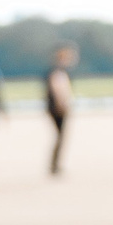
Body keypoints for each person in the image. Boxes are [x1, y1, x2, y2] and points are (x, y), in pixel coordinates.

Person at [44, 44, 78, 178]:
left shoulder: (58, 70)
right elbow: (58, 89)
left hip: (56, 107)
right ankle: (54, 165)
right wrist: (62, 105)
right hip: (58, 108)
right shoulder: (58, 71)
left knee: (60, 137)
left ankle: (55, 164)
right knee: (60, 136)